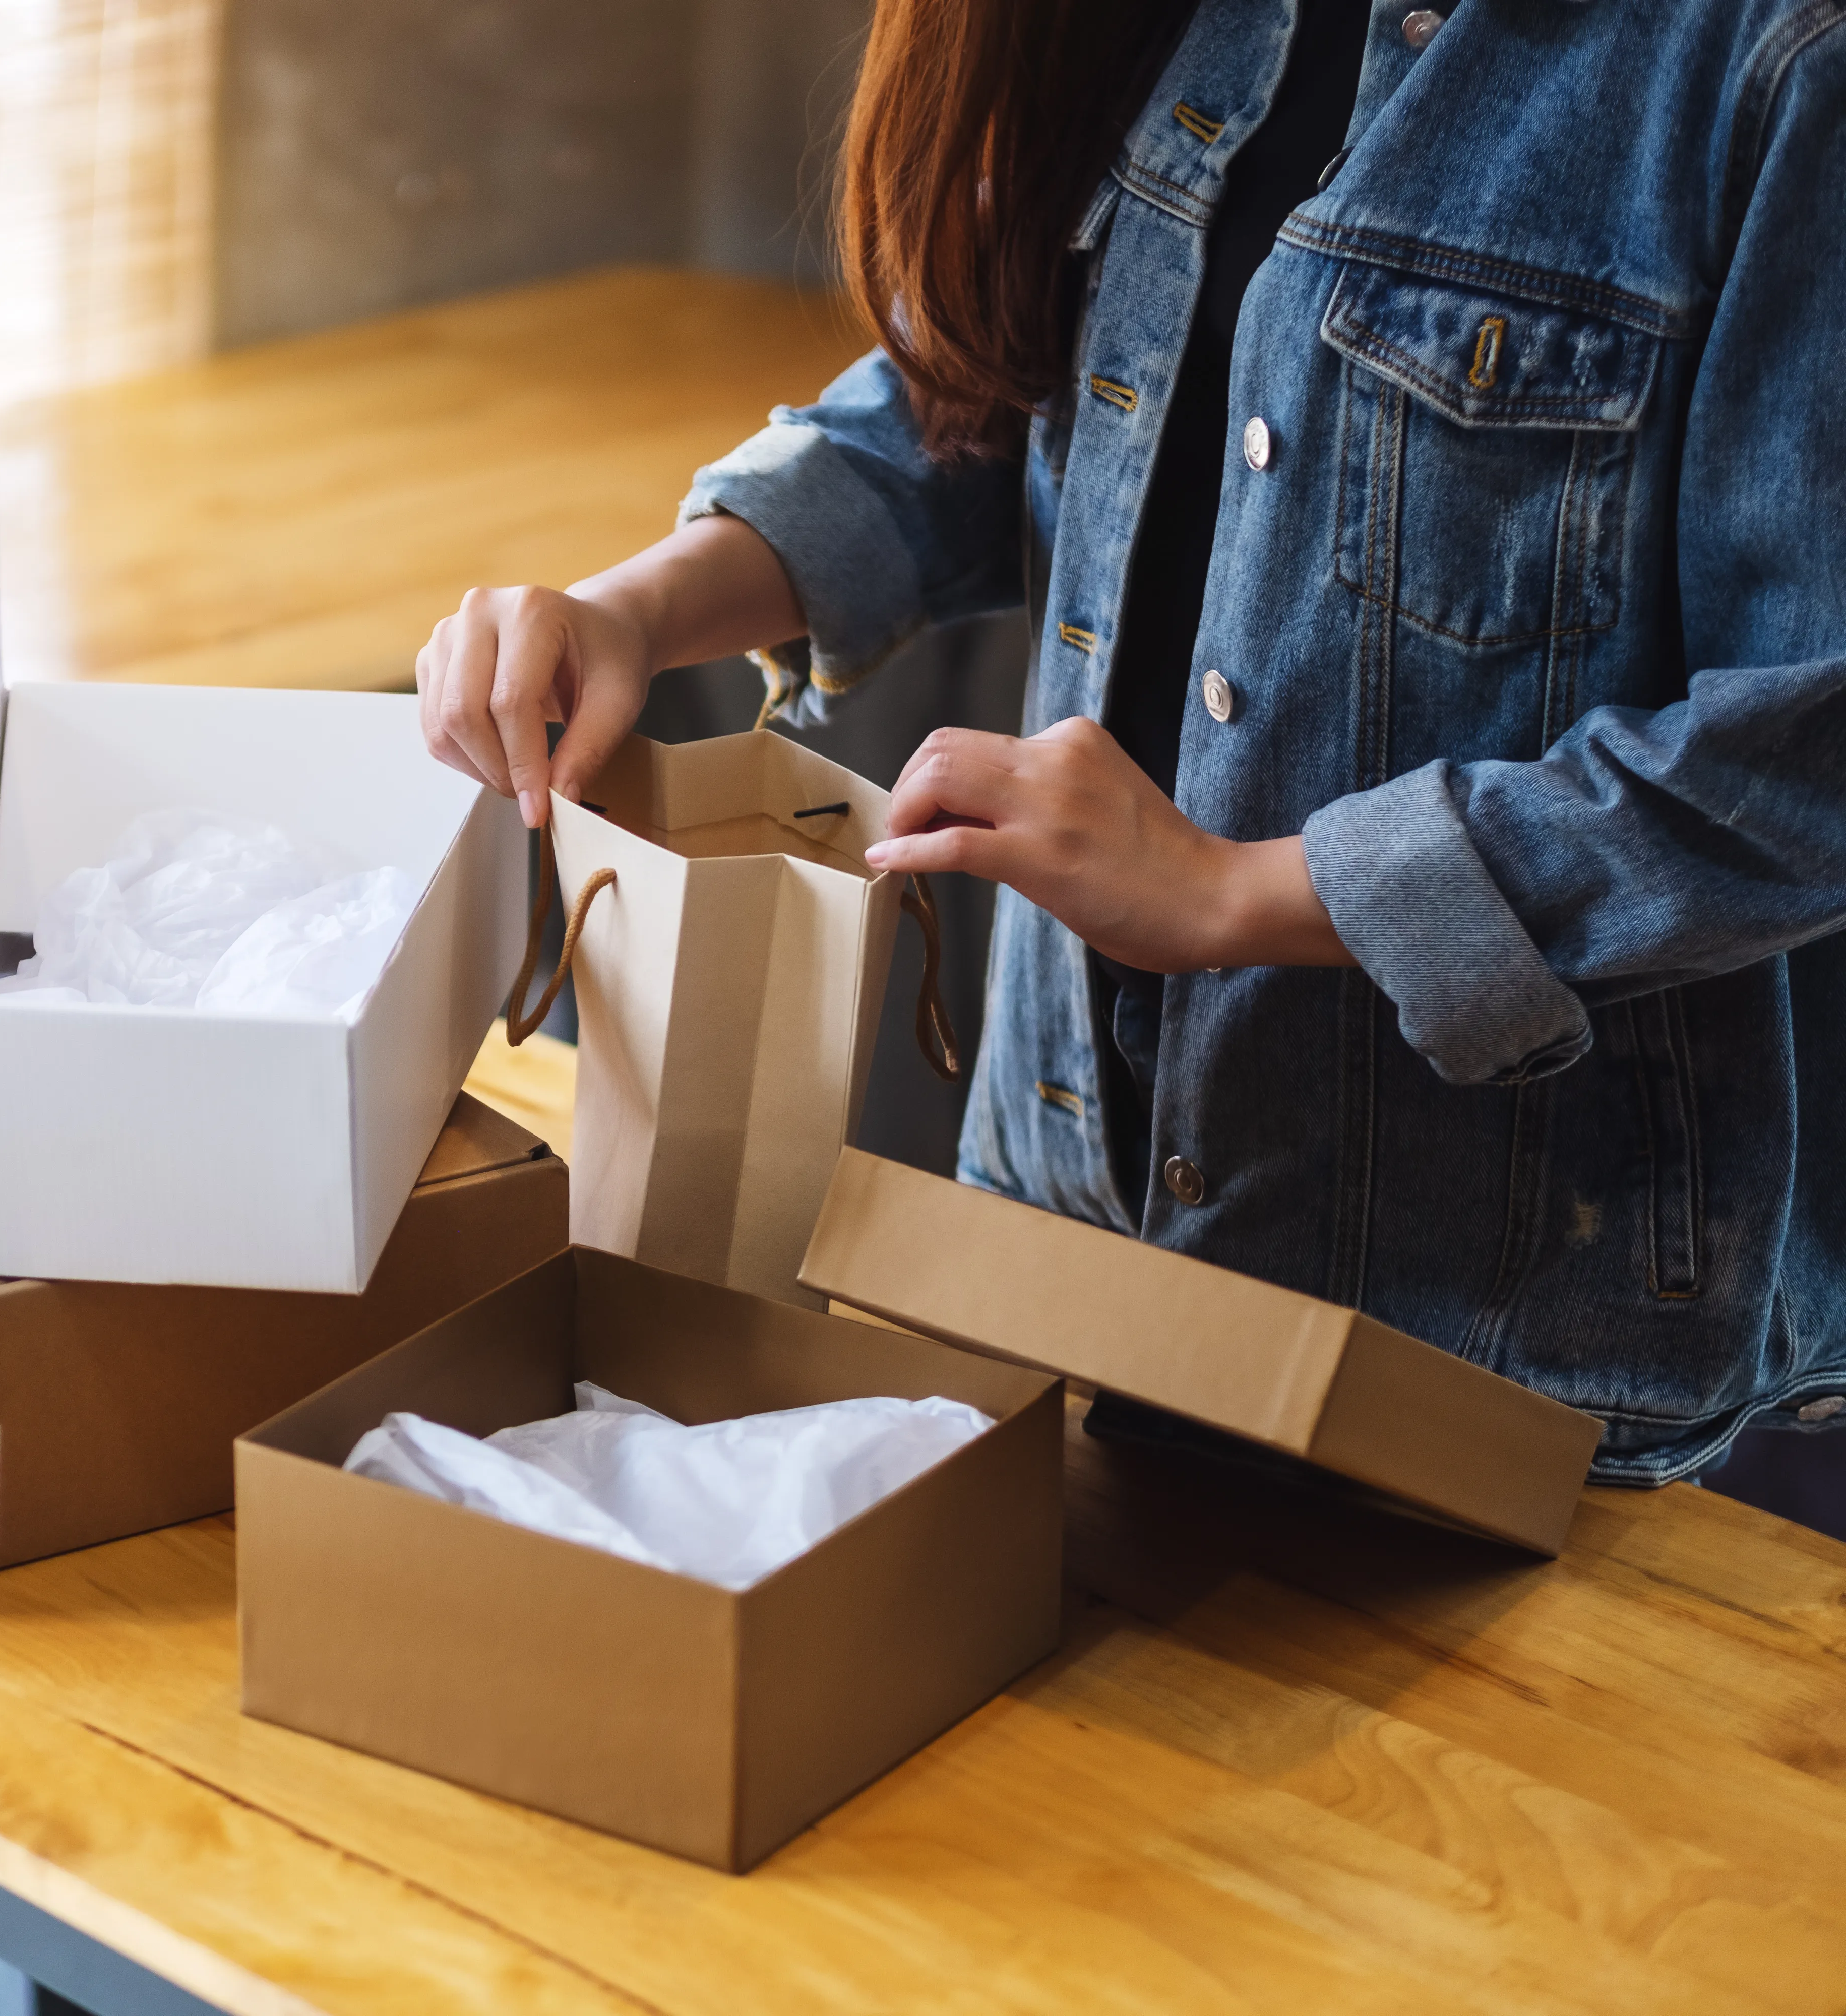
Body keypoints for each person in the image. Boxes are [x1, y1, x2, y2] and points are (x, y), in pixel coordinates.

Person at [414, 0, 1846, 1490]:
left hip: (1502, 1334)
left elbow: (1803, 757)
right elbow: (992, 388)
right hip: (1056, 1238)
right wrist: (640, 608)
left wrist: (1237, 894)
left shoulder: (1776, 59)